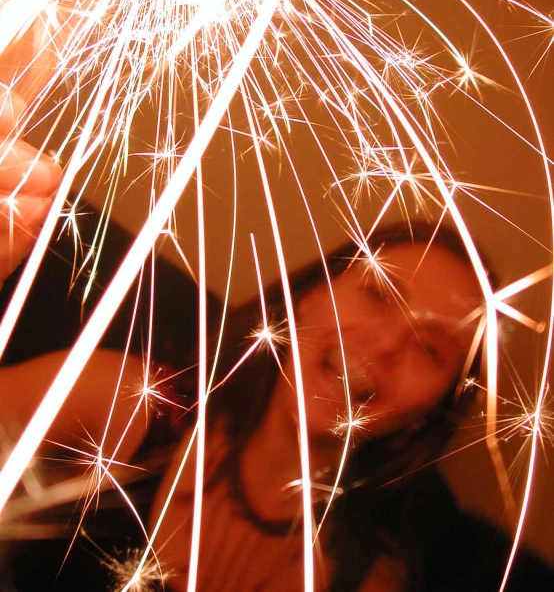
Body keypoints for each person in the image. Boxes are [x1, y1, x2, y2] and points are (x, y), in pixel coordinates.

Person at [0, 100, 553, 591]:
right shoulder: (122, 401)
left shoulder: (372, 578)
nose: (385, 344)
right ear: (309, 296)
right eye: (378, 294)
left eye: (431, 349)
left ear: (426, 414)